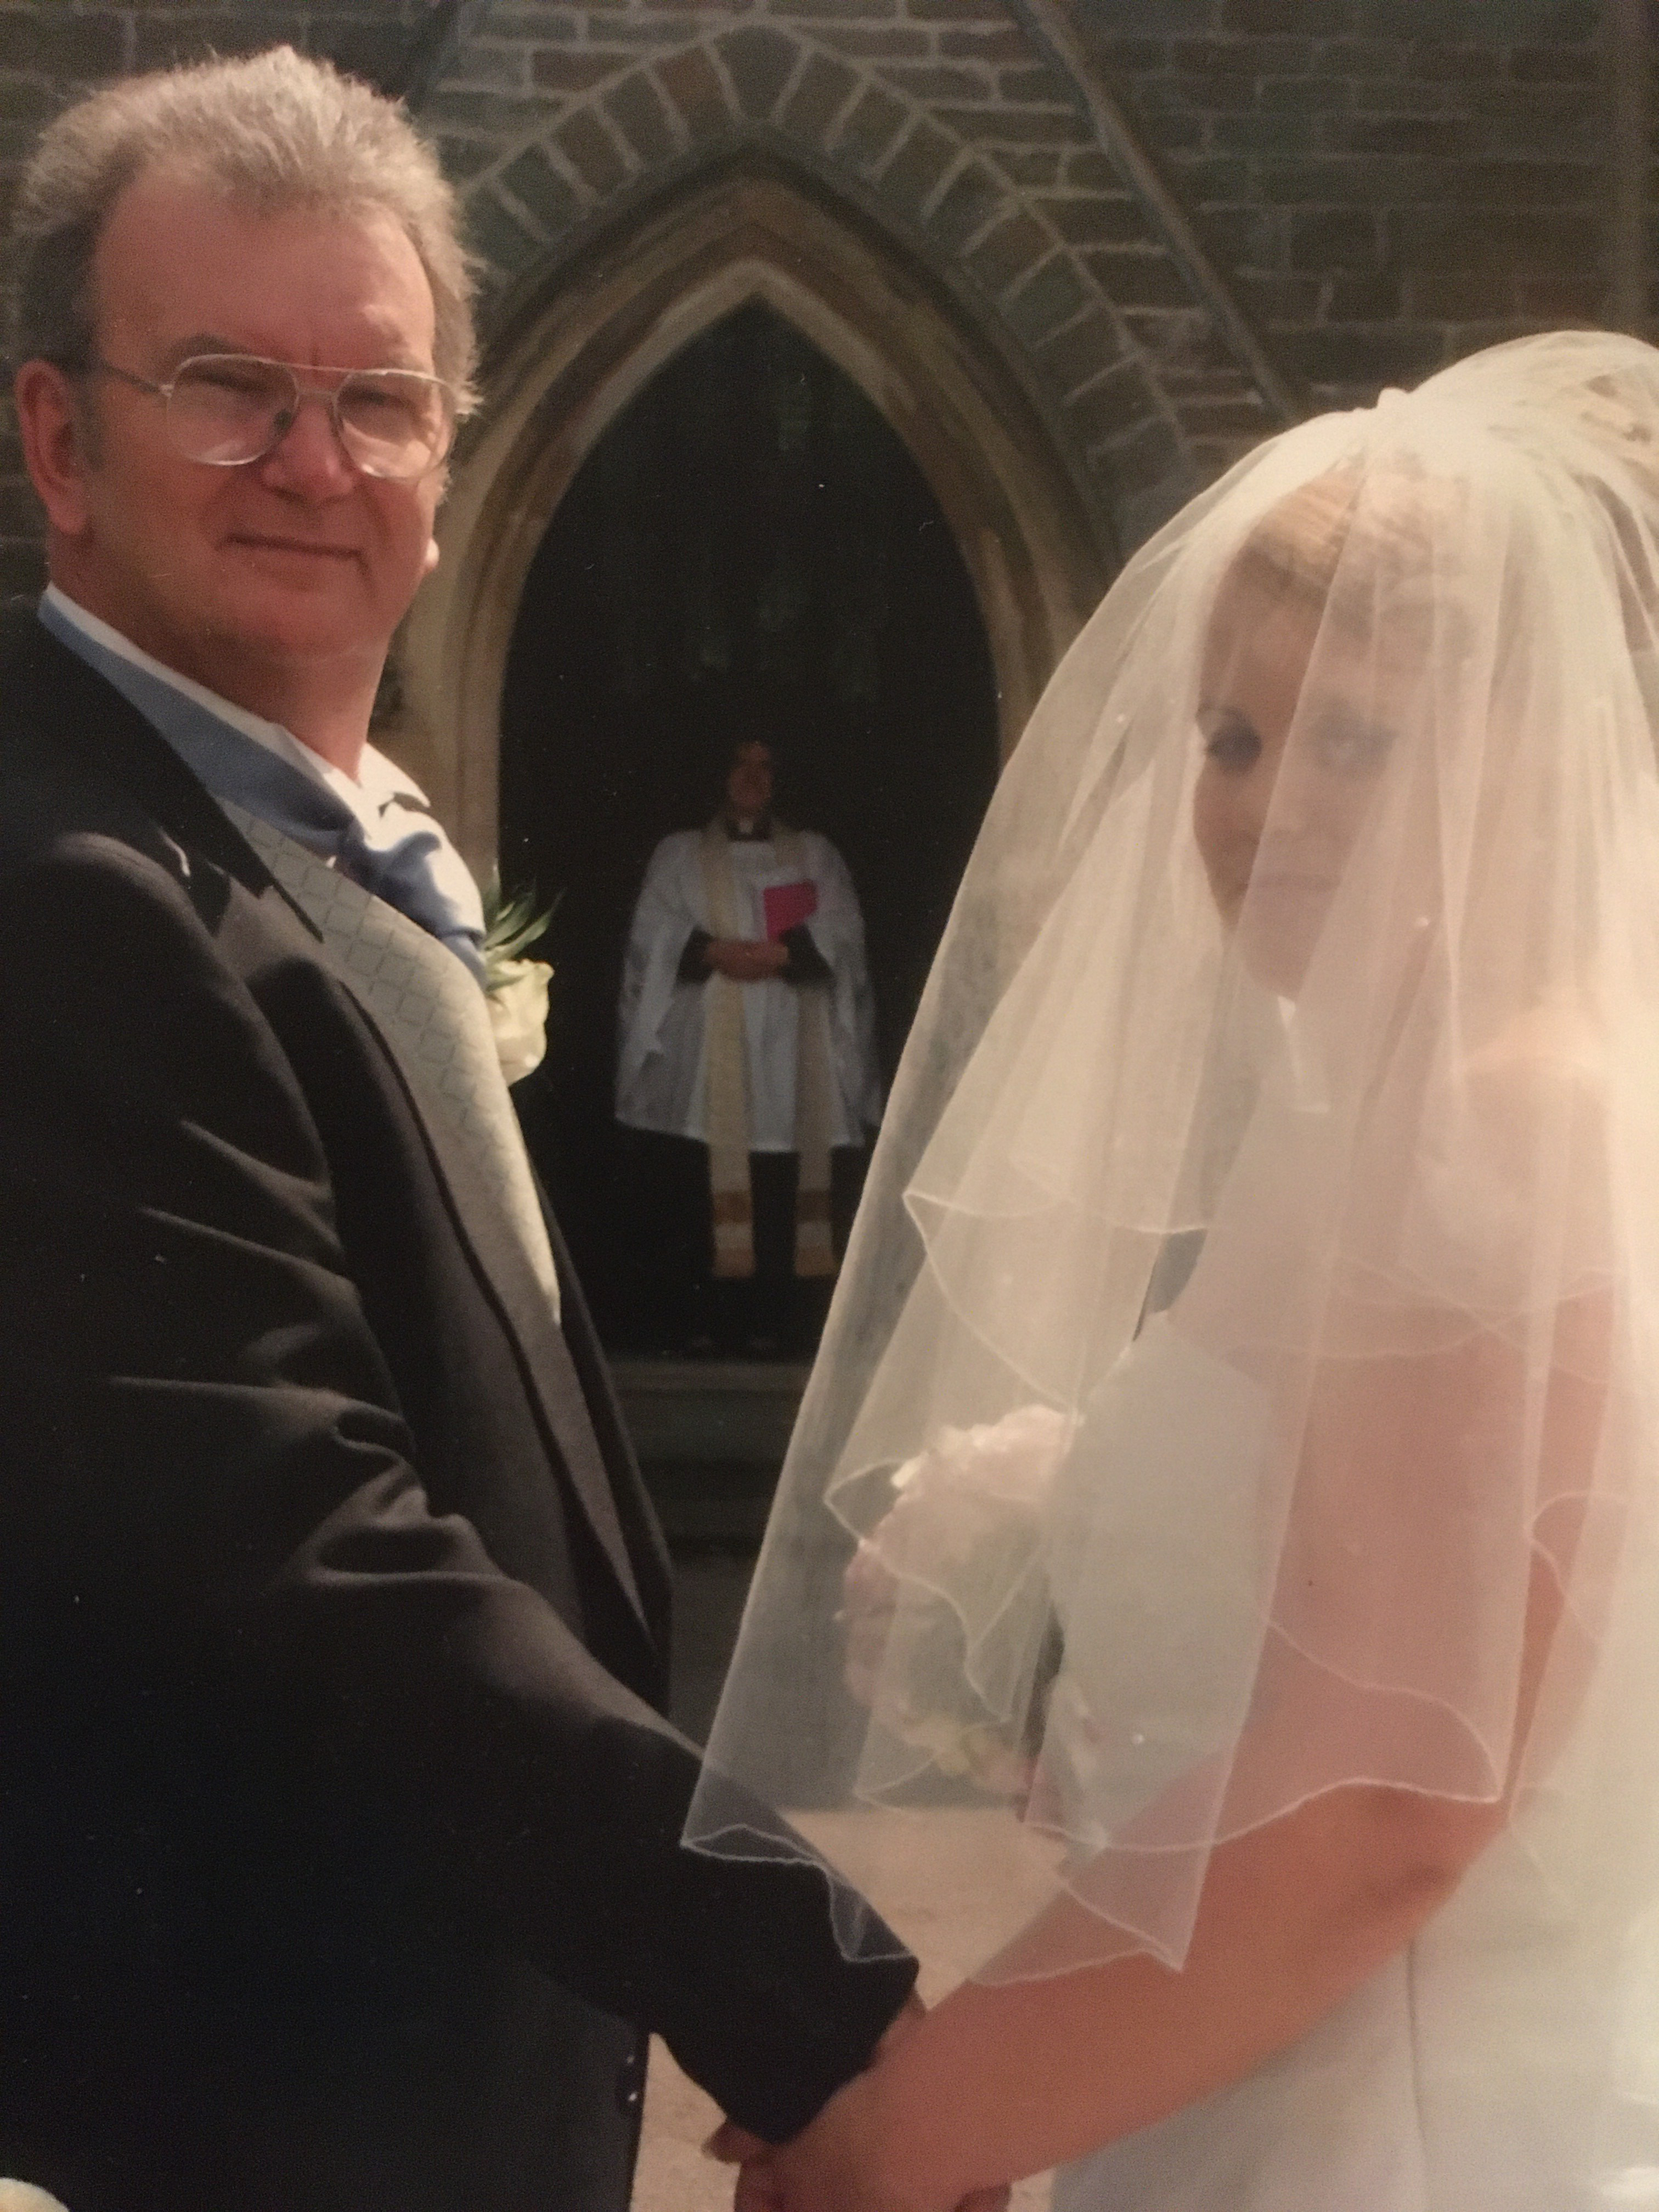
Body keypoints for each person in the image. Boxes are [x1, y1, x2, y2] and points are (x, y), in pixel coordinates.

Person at [0, 48, 937, 2212]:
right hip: (247, 2104)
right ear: (60, 435)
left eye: (383, 402)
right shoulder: (65, 894)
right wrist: (799, 1984)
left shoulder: (312, 837)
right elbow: (304, 1549)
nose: (316, 464)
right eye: (227, 386)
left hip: (443, 2060)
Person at [691, 329, 1659, 2210]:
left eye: (1359, 733)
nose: (1265, 802)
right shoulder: (1392, 1117)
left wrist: (900, 2137)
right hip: (1266, 2096)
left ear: (1527, 756)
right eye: (1230, 733)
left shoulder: (1500, 1122)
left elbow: (1374, 1811)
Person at [617, 736, 880, 1353]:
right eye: (740, 763)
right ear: (719, 773)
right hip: (708, 1047)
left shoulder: (815, 855)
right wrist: (710, 950)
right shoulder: (679, 855)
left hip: (795, 1047)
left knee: (785, 1171)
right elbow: (648, 935)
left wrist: (790, 952)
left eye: (766, 766)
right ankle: (709, 1323)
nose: (752, 778)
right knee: (700, 1172)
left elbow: (845, 932)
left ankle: (785, 1326)